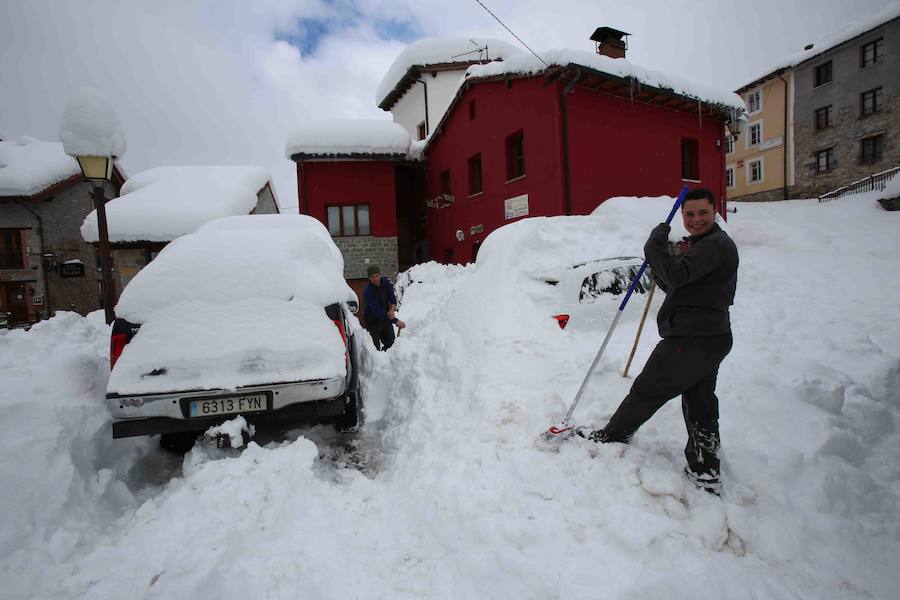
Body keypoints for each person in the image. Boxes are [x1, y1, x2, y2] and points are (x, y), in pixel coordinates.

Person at [581, 188, 738, 494]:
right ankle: (705, 467)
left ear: (715, 211)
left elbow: (677, 276)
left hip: (691, 340)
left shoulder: (715, 245)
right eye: (689, 214)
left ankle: (614, 435)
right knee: (700, 400)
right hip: (709, 336)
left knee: (648, 389)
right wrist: (660, 264)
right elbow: (676, 284)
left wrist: (654, 247)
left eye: (702, 213)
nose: (695, 220)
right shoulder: (703, 244)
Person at [363, 265, 406, 351]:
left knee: (390, 344)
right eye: (372, 277)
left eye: (377, 275)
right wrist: (396, 321)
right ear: (369, 278)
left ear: (380, 274)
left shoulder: (385, 283)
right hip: (372, 321)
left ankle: (388, 362)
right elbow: (377, 311)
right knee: (375, 348)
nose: (375, 279)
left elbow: (393, 299)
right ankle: (378, 363)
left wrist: (392, 310)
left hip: (386, 319)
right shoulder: (367, 291)